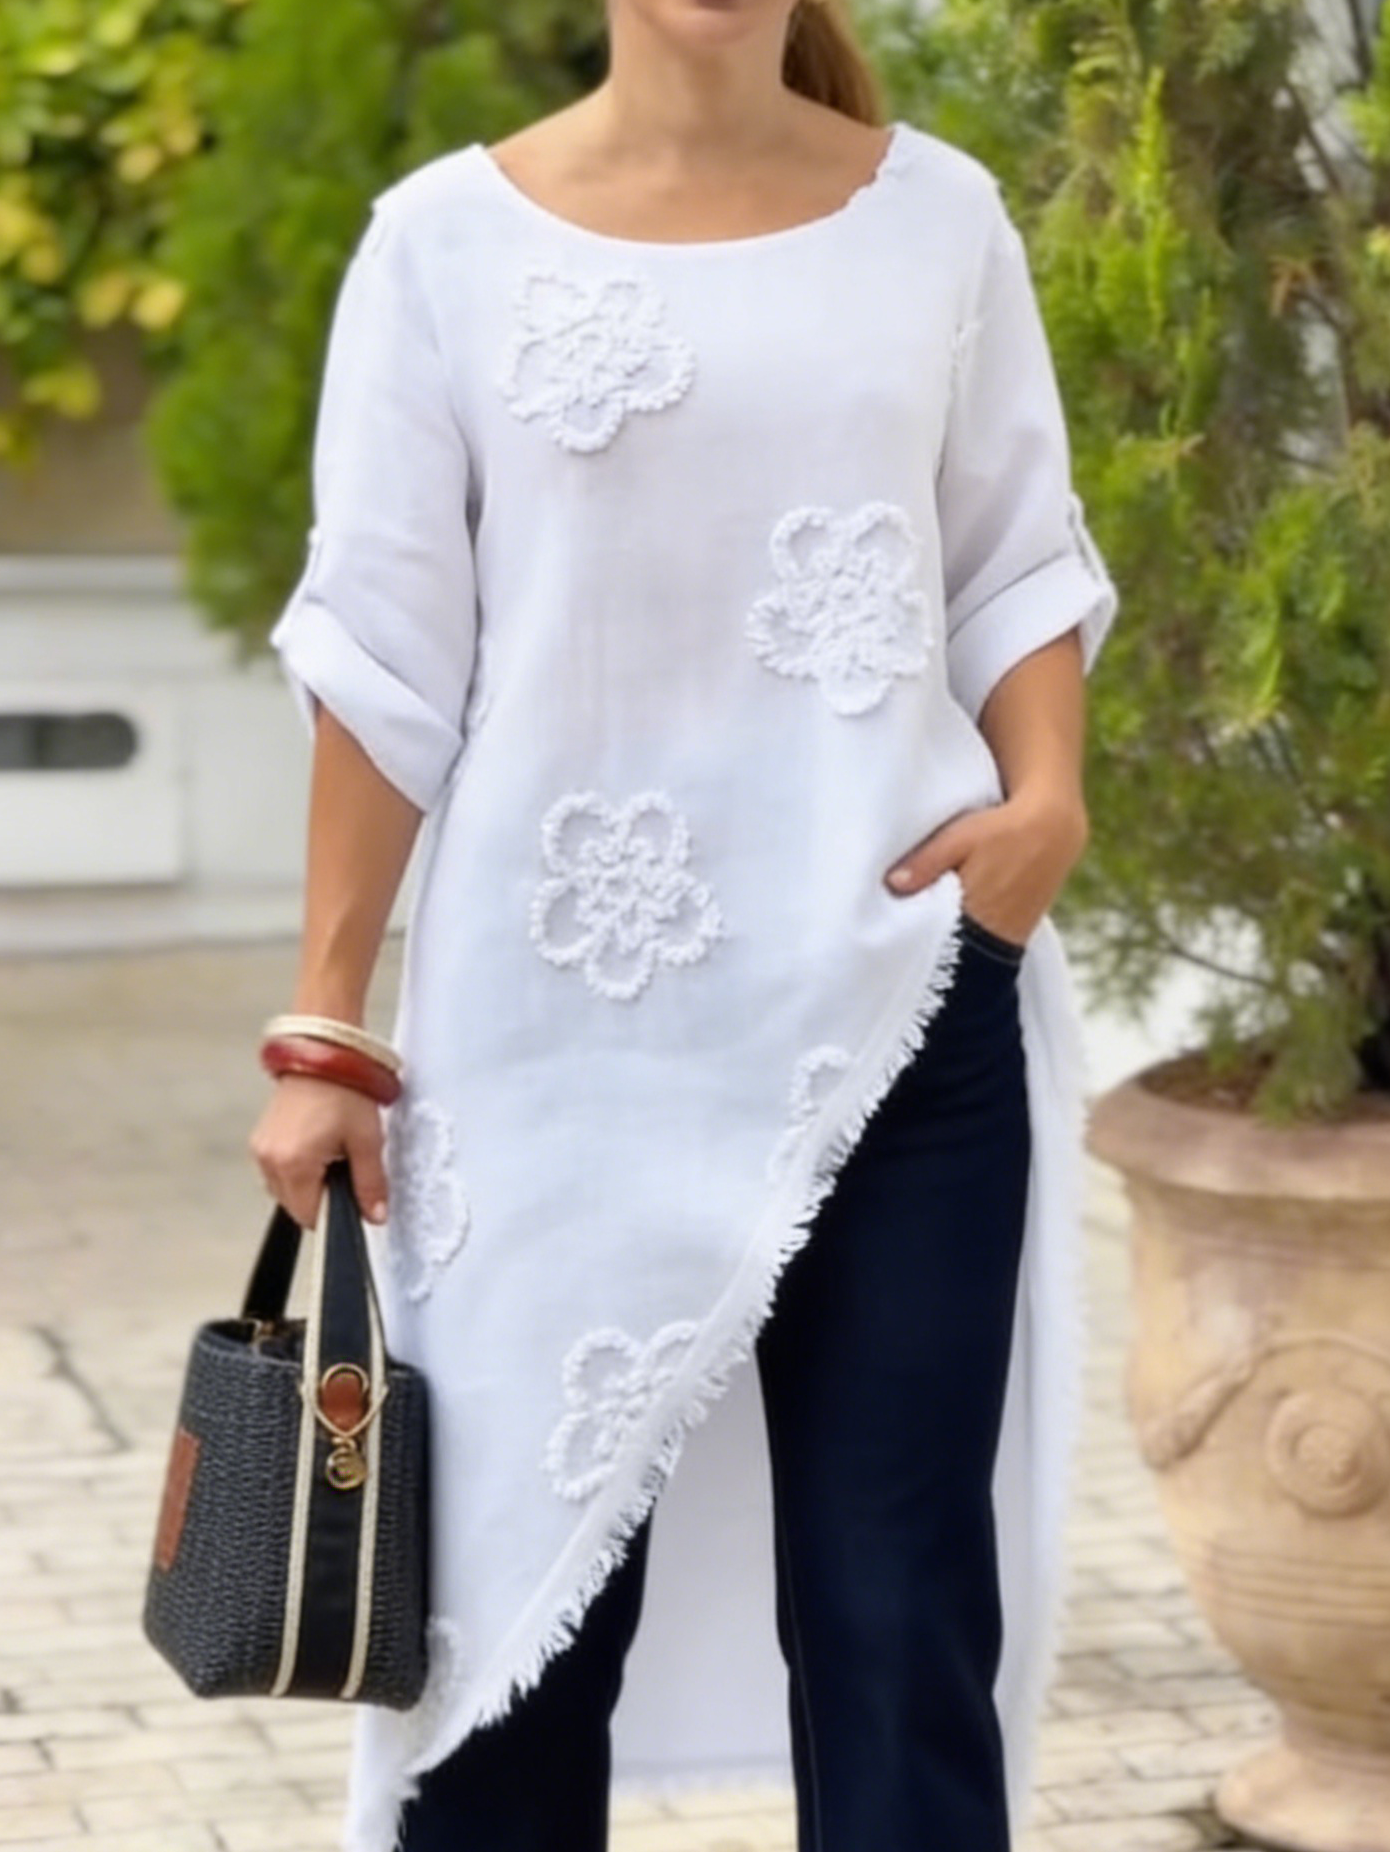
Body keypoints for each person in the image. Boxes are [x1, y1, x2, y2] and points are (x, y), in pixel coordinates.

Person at [250, 2, 1120, 1848]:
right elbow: (382, 653)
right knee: (506, 1634)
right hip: (546, 1047)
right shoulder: (440, 245)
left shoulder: (941, 219)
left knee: (898, 1614)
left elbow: (1014, 555)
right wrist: (325, 1031)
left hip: (893, 1008)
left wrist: (1044, 800)